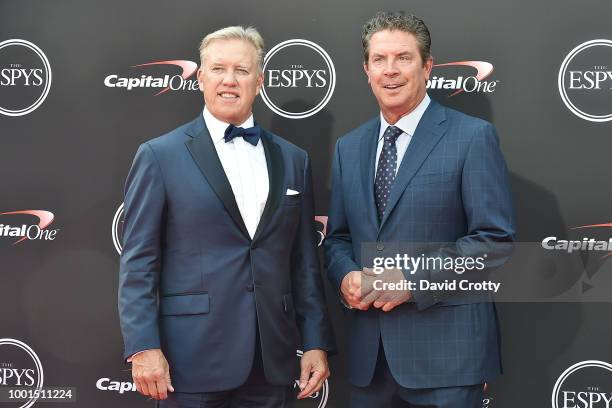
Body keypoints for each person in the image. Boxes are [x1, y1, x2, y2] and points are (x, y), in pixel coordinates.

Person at [118, 25, 335, 408]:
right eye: (218, 69)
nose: (229, 81)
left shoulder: (294, 159)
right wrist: (143, 346)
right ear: (201, 78)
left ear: (260, 80)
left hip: (272, 361)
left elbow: (304, 263)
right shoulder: (160, 155)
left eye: (242, 70)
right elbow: (138, 263)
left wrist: (316, 341)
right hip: (190, 362)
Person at [324, 11, 515, 408]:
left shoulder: (472, 137)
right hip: (369, 362)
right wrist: (345, 276)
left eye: (403, 58)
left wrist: (412, 281)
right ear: (366, 69)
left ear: (427, 66)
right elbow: (338, 237)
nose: (390, 71)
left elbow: (494, 242)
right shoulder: (350, 146)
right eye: (380, 60)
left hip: (448, 360)